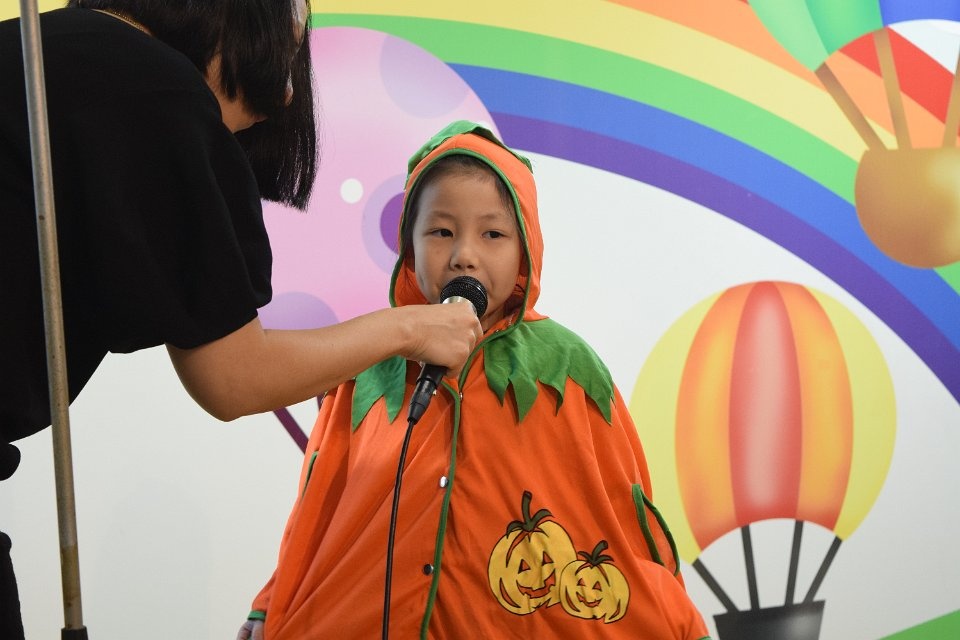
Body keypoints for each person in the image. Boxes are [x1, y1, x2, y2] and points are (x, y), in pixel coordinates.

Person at [0, 3, 481, 637]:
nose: (285, 96)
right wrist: (410, 328)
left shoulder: (34, 47)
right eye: (289, 45)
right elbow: (233, 378)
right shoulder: (160, 95)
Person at [238, 121, 711, 639]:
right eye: (441, 231)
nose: (464, 253)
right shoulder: (369, 359)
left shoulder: (570, 368)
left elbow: (622, 509)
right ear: (409, 247)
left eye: (493, 234)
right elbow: (319, 504)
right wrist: (269, 603)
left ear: (525, 248)